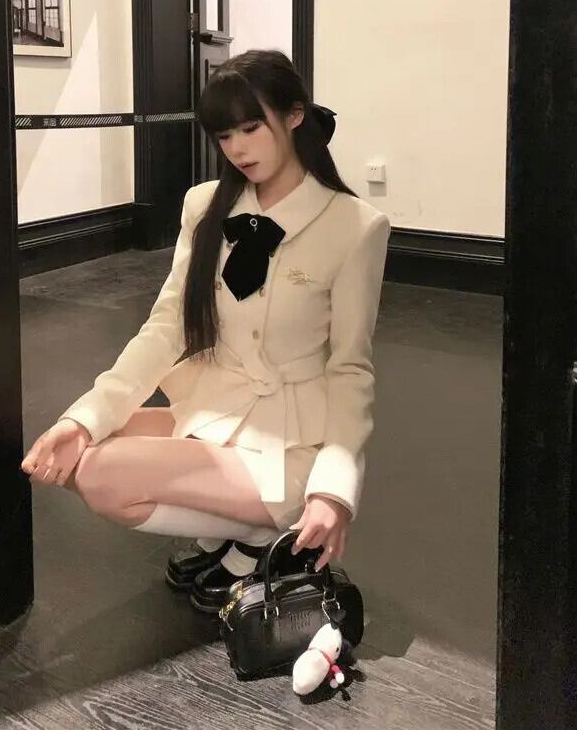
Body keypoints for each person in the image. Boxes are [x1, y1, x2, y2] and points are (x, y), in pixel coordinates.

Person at [21, 50, 391, 614]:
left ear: (295, 115)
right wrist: (84, 416)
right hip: (216, 415)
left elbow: (350, 368)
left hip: (291, 446)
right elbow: (167, 327)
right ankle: (241, 535)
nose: (238, 148)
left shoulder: (354, 226)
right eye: (224, 135)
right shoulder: (205, 206)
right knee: (75, 450)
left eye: (251, 128)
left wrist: (334, 489)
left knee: (100, 475)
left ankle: (269, 532)